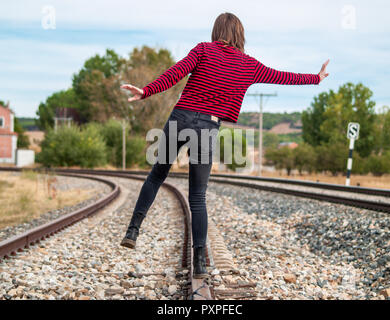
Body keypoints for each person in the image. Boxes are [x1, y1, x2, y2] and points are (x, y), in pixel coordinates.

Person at [120, 12, 329, 278]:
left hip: (181, 118)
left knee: (157, 175)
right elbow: (283, 76)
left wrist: (146, 91)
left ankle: (133, 231)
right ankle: (200, 262)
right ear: (240, 35)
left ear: (216, 30)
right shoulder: (249, 64)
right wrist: (315, 78)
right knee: (197, 196)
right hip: (207, 126)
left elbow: (175, 73)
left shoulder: (203, 50)